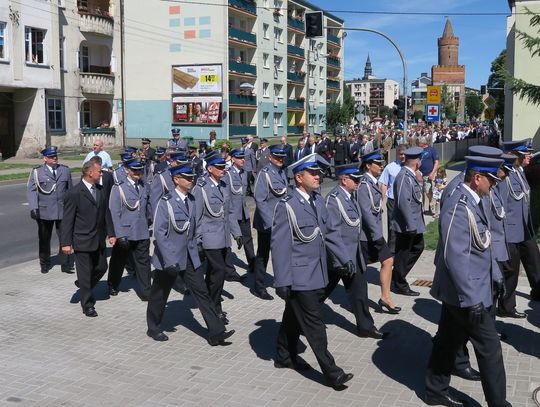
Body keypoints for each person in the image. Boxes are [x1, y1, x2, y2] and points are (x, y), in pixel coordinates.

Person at [425, 156, 511, 407]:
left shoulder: (475, 200)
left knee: (447, 340)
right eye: (491, 179)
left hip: (468, 288)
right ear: (477, 178)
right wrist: (471, 298)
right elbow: (455, 256)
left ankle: (435, 390)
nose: (494, 184)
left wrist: (496, 275)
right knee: (490, 348)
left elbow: (484, 243)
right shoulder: (459, 205)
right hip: (465, 292)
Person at [272, 153, 354, 390]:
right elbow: (280, 247)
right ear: (299, 178)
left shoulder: (318, 200)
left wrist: (345, 258)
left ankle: (284, 355)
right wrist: (282, 281)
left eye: (318, 173)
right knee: (315, 324)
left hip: (317, 273)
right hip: (299, 276)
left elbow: (331, 233)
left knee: (293, 317)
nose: (319, 177)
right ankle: (332, 373)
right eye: (313, 173)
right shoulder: (287, 206)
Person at [147, 163, 235, 345]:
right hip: (170, 257)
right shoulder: (166, 202)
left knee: (202, 292)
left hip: (189, 255)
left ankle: (216, 332)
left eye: (192, 177)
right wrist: (169, 260)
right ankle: (153, 327)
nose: (191, 180)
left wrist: (199, 246)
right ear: (176, 180)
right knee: (160, 294)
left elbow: (195, 227)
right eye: (187, 178)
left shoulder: (192, 200)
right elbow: (159, 233)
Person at [325, 163, 388, 338]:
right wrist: (343, 259)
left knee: (359, 292)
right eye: (355, 179)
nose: (358, 182)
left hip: (354, 255)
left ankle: (366, 327)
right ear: (344, 180)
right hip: (338, 258)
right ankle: (302, 319)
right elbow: (332, 233)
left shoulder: (350, 197)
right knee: (320, 293)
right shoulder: (333, 200)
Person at [60, 158, 116, 317]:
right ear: (90, 173)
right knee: (84, 273)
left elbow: (106, 213)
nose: (102, 174)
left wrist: (111, 233)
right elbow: (67, 220)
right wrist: (66, 243)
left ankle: (85, 285)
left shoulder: (100, 190)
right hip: (82, 240)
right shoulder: (74, 193)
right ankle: (88, 304)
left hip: (98, 239)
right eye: (99, 171)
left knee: (102, 267)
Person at [192, 151, 242, 325]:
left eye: (224, 167)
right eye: (219, 167)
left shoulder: (223, 185)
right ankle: (215, 308)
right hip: (209, 238)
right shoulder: (201, 188)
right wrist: (198, 240)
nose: (223, 170)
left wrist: (237, 233)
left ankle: (212, 304)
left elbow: (230, 212)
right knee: (219, 272)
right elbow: (197, 216)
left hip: (224, 237)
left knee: (215, 274)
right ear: (210, 168)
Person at [357, 150, 400, 313]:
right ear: (368, 166)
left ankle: (385, 298)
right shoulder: (364, 184)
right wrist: (378, 236)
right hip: (367, 235)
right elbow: (366, 212)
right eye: (378, 164)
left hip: (373, 233)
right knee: (357, 271)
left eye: (382, 163)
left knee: (387, 261)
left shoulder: (372, 182)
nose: (381, 166)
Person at [500, 139, 540, 306]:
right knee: (511, 270)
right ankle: (507, 306)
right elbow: (501, 206)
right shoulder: (506, 175)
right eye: (525, 153)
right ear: (513, 155)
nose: (529, 156)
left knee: (534, 260)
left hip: (524, 226)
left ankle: (538, 292)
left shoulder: (519, 171)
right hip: (510, 230)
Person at [108, 159, 152, 300]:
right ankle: (113, 284)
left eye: (140, 170)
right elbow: (114, 212)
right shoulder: (119, 188)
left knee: (144, 263)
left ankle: (146, 292)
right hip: (125, 233)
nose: (138, 172)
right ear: (127, 170)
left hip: (142, 231)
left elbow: (148, 208)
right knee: (118, 261)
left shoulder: (144, 186)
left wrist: (149, 223)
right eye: (134, 170)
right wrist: (119, 234)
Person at [27, 147, 73, 274]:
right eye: (51, 157)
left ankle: (65, 263)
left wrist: (72, 208)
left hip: (62, 210)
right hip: (44, 211)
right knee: (44, 239)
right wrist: (33, 207)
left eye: (56, 156)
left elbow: (70, 190)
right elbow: (31, 191)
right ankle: (45, 263)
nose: (55, 158)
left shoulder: (65, 170)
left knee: (65, 237)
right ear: (45, 158)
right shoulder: (37, 171)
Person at [252, 145, 289, 301]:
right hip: (267, 223)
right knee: (263, 254)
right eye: (277, 157)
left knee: (281, 253)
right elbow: (260, 199)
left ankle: (282, 282)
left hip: (280, 222)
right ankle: (259, 287)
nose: (280, 160)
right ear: (270, 157)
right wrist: (270, 223)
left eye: (282, 157)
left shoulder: (281, 172)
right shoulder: (265, 173)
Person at [391, 147, 425, 296]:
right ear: (417, 162)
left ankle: (397, 276)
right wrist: (411, 225)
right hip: (407, 224)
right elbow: (403, 202)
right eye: (420, 159)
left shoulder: (411, 176)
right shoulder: (404, 177)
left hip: (414, 223)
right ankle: (399, 283)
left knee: (418, 247)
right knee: (403, 253)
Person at [223, 148, 256, 275]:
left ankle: (252, 263)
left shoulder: (244, 173)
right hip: (231, 213)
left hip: (243, 211)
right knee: (227, 242)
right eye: (240, 158)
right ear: (233, 159)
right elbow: (226, 197)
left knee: (248, 238)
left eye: (244, 158)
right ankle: (229, 270)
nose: (243, 160)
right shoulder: (227, 174)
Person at [380, 144, 406, 253]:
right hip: (393, 201)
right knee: (392, 226)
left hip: (406, 201)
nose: (403, 156)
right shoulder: (390, 167)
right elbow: (384, 184)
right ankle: (391, 252)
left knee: (406, 225)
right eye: (401, 154)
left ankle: (403, 249)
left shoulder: (412, 167)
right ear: (397, 154)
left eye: (404, 154)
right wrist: (381, 201)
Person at [417, 136, 440, 215]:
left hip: (429, 174)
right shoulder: (418, 150)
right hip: (419, 175)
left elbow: (436, 162)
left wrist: (433, 173)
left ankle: (431, 204)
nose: (417, 143)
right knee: (420, 193)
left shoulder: (431, 150)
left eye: (419, 142)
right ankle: (421, 209)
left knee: (428, 191)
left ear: (423, 143)